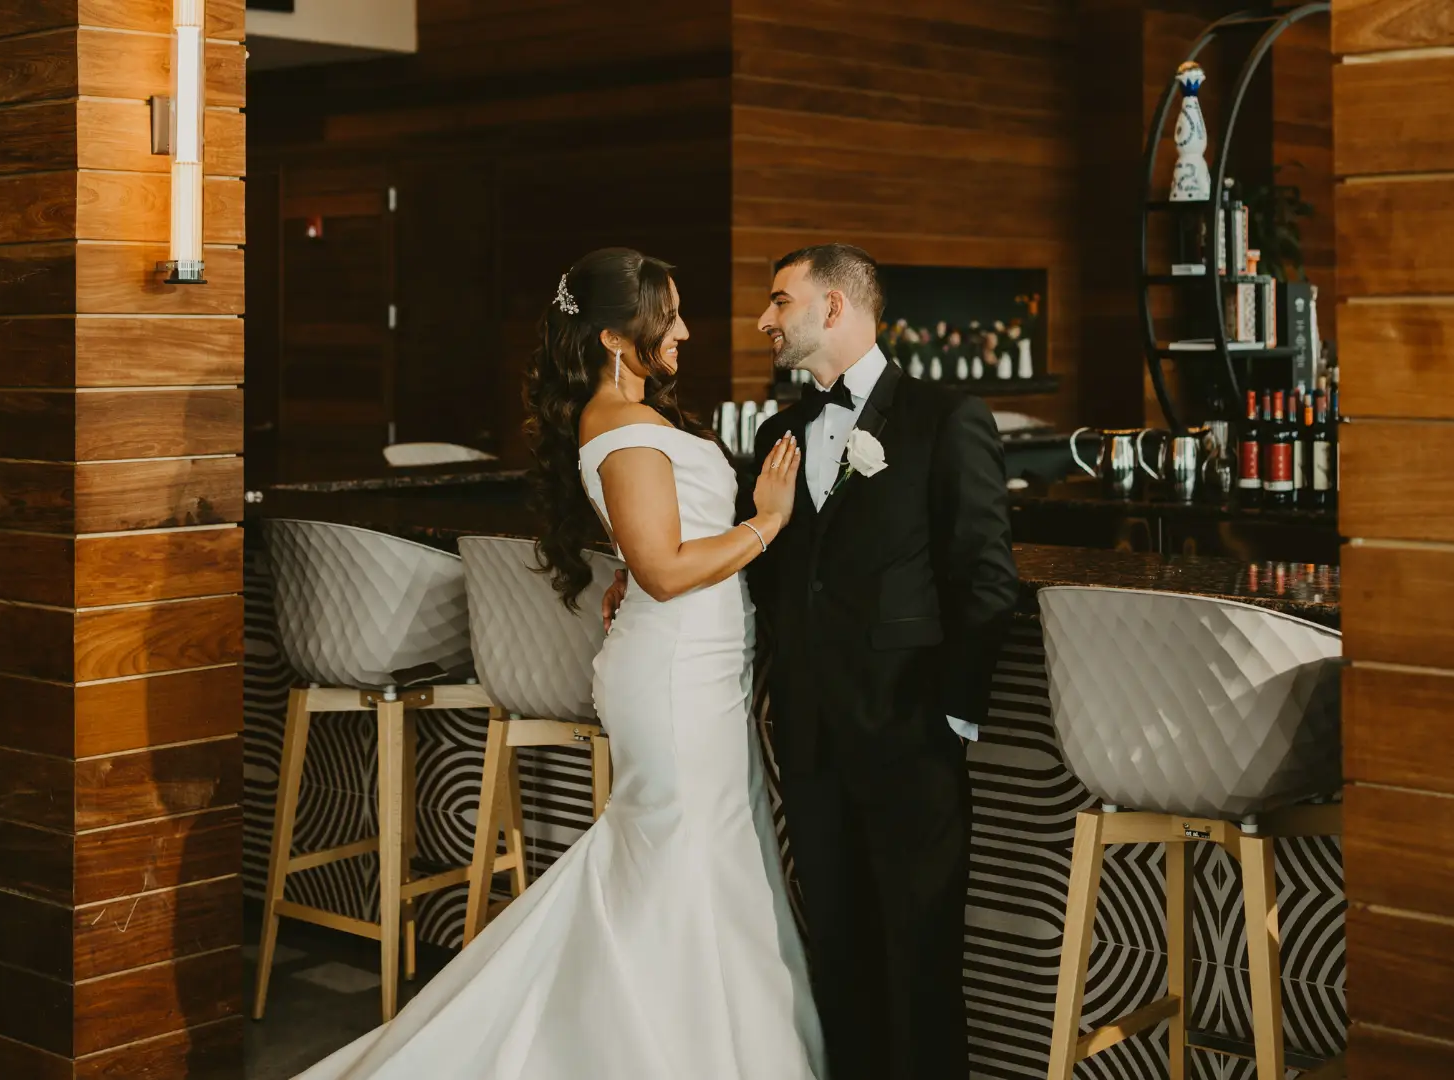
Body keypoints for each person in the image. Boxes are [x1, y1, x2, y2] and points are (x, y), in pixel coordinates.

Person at [293, 247, 826, 1080]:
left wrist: (636, 575)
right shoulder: (617, 426)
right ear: (617, 336)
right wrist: (769, 521)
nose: (685, 330)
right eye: (670, 315)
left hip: (697, 672)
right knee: (683, 865)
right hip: (679, 683)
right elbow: (663, 566)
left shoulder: (624, 418)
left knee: (705, 861)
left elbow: (646, 554)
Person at [608, 243, 1018, 1079]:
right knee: (835, 950)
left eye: (779, 301)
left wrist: (952, 719)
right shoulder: (779, 431)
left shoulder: (946, 418)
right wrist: (646, 576)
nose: (764, 319)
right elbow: (774, 567)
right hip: (808, 733)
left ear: (834, 308)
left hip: (912, 735)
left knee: (920, 957)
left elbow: (984, 578)